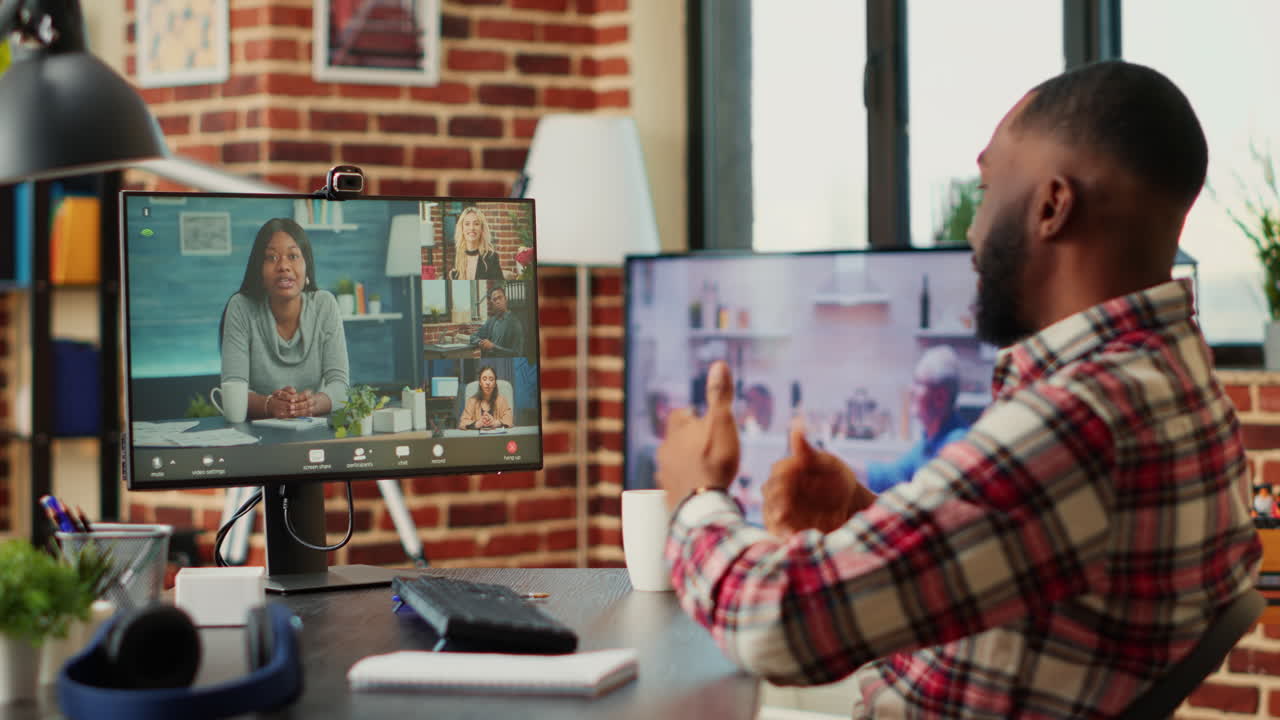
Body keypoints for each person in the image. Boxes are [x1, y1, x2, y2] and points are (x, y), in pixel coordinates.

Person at [654, 60, 1261, 718]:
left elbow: (779, 624)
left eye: (987, 184)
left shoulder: (1083, 419)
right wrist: (861, 510)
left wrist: (694, 497)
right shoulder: (1173, 378)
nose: (971, 230)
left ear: (1052, 206)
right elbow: (1025, 556)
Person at [221, 218, 349, 419]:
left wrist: (310, 405)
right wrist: (269, 405)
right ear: (259, 270)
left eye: (293, 256)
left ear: (307, 267)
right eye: (271, 258)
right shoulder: (241, 307)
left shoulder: (325, 305)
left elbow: (340, 386)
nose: (283, 266)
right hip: (255, 435)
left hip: (312, 431)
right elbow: (233, 388)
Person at [862, 345, 969, 492]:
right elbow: (893, 475)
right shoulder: (930, 441)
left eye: (918, 383)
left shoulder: (956, 445)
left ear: (940, 397)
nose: (911, 390)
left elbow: (928, 498)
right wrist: (836, 465)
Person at [448, 206, 505, 281]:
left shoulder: (491, 257)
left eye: (476, 224)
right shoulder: (455, 257)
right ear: (462, 228)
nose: (471, 228)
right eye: (467, 224)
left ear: (482, 228)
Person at [469, 285, 525, 358]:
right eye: (494, 299)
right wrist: (480, 342)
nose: (498, 301)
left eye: (500, 298)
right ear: (492, 303)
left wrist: (493, 347)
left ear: (505, 299)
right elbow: (473, 337)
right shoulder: (491, 321)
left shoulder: (515, 323)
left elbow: (517, 354)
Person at [458, 365, 512, 430]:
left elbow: (509, 420)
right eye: (484, 379)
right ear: (480, 383)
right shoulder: (472, 401)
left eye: (491, 379)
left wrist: (496, 423)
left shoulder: (502, 400)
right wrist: (477, 424)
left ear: (495, 383)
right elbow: (463, 423)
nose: (488, 383)